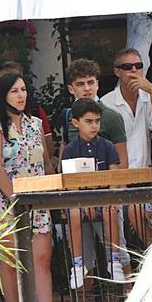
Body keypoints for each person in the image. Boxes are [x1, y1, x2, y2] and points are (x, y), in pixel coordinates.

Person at [0, 72, 55, 302]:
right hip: (4, 200)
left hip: (36, 197)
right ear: (2, 95)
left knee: (42, 257)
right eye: (14, 91)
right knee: (11, 259)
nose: (21, 95)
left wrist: (53, 192)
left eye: (23, 89)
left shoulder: (35, 124)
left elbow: (44, 162)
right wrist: (15, 197)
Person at [101, 48, 152, 242]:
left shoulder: (148, 97)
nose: (134, 70)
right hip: (118, 180)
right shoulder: (106, 103)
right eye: (127, 67)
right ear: (117, 72)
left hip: (144, 177)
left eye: (138, 66)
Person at [61, 98, 124, 289]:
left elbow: (115, 177)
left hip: (105, 200)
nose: (94, 125)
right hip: (80, 202)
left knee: (110, 209)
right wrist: (83, 202)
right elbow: (69, 184)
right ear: (76, 123)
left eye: (97, 121)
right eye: (89, 121)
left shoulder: (107, 146)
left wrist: (111, 197)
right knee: (73, 212)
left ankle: (114, 261)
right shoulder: (70, 150)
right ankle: (78, 265)